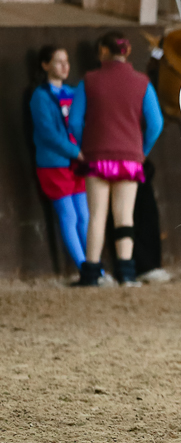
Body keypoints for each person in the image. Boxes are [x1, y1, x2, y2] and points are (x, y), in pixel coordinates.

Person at [68, 32, 164, 287]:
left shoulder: (89, 80)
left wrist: (86, 146)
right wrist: (141, 151)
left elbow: (74, 122)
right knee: (125, 217)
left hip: (96, 158)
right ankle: (127, 273)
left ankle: (91, 273)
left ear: (102, 51)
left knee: (97, 216)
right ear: (128, 51)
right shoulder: (142, 82)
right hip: (130, 159)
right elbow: (156, 123)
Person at [29, 45, 90, 277]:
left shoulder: (73, 93)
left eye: (67, 61)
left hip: (77, 164)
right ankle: (84, 267)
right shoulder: (40, 96)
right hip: (54, 164)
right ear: (45, 65)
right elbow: (48, 133)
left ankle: (93, 265)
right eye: (58, 61)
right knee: (69, 215)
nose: (65, 66)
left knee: (85, 215)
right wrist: (76, 151)